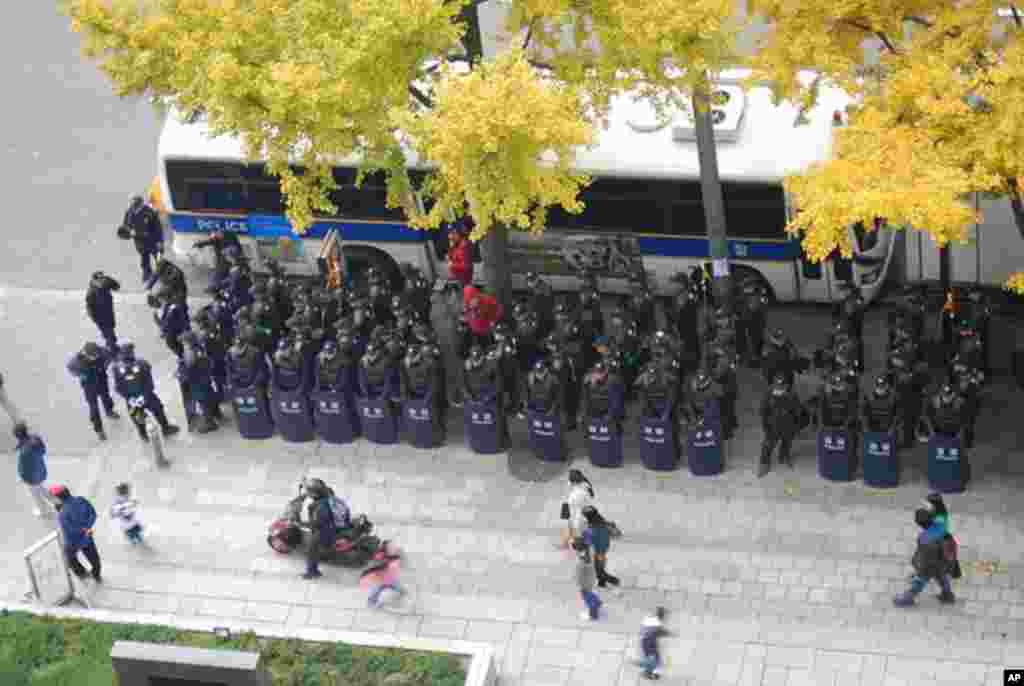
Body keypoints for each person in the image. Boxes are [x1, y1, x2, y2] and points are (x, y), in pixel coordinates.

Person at [112, 343, 180, 440]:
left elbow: (118, 387)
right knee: (154, 411)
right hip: (145, 396)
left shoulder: (117, 367)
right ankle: (162, 429)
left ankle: (146, 434)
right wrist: (140, 397)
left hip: (135, 398)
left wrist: (130, 398)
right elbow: (149, 383)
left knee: (141, 414)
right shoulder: (141, 364)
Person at [893, 508, 955, 606]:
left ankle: (907, 598)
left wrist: (919, 570)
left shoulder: (925, 538)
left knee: (919, 581)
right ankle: (947, 595)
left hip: (930, 563)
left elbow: (924, 557)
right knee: (941, 576)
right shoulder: (941, 525)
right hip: (943, 560)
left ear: (921, 524)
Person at [67, 342, 120, 441]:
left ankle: (109, 411)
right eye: (93, 356)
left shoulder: (102, 351)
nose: (95, 357)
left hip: (101, 379)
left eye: (96, 355)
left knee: (106, 397)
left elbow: (109, 356)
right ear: (86, 354)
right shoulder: (76, 361)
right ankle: (99, 430)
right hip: (89, 385)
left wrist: (105, 366)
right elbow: (71, 368)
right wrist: (80, 375)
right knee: (93, 407)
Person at [50, 485, 102, 582]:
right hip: (87, 537)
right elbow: (93, 514)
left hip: (73, 541)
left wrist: (81, 529)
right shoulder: (81, 500)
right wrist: (87, 527)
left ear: (58, 498)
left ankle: (81, 573)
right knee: (94, 559)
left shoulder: (62, 514)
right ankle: (96, 574)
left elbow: (69, 530)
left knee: (69, 557)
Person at [759, 373, 804, 476]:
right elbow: (763, 411)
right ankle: (764, 464)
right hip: (772, 424)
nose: (779, 388)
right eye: (777, 386)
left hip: (788, 424)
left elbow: (798, 411)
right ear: (773, 385)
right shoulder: (768, 394)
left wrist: (796, 425)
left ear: (786, 385)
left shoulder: (792, 395)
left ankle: (784, 456)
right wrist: (765, 426)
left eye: (782, 386)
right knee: (768, 445)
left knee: (787, 443)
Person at [121, 195, 164, 282]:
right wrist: (127, 233)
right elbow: (125, 226)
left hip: (153, 241)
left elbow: (158, 228)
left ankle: (163, 278)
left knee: (159, 261)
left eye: (136, 206)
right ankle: (147, 278)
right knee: (144, 261)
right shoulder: (129, 212)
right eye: (132, 205)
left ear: (141, 204)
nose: (134, 208)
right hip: (140, 242)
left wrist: (160, 241)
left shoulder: (150, 212)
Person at [301, 478, 337, 580]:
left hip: (321, 532)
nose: (307, 493)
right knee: (314, 551)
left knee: (311, 552)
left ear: (315, 494)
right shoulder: (327, 493)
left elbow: (315, 524)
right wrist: (304, 484)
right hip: (328, 526)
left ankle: (311, 573)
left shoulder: (320, 508)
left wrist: (300, 523)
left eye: (309, 492)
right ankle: (315, 571)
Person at [14, 423, 51, 517]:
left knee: (36, 495)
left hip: (31, 478)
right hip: (41, 471)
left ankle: (43, 511)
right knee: (40, 487)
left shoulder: (24, 452)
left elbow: (23, 469)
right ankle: (52, 499)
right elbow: (43, 451)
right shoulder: (36, 439)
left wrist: (22, 478)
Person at [581, 505, 620, 591]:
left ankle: (615, 581)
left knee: (599, 571)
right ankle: (601, 583)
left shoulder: (592, 528)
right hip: (603, 549)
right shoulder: (603, 524)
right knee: (600, 568)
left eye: (585, 515)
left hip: (600, 550)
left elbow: (587, 541)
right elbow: (617, 534)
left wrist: (585, 552)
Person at [85, 271, 121, 354]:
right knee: (110, 335)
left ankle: (111, 346)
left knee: (110, 333)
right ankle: (112, 350)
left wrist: (110, 280)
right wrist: (95, 319)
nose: (101, 281)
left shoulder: (105, 284)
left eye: (102, 278)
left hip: (109, 315)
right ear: (94, 281)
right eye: (99, 279)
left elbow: (116, 287)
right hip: (100, 318)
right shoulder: (91, 293)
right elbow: (89, 307)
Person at [634, 607, 671, 680]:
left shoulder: (650, 619)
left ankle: (647, 669)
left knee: (653, 658)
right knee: (654, 659)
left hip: (646, 641)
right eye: (664, 615)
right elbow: (660, 632)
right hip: (649, 643)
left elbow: (645, 629)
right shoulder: (657, 623)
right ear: (661, 616)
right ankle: (647, 672)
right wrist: (669, 633)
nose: (665, 618)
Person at [561, 469, 594, 547]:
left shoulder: (583, 489)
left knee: (579, 526)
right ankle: (566, 542)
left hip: (578, 508)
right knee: (571, 525)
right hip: (572, 507)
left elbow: (585, 500)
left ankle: (586, 542)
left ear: (575, 481)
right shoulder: (583, 484)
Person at [573, 538, 602, 621]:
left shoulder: (583, 559)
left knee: (587, 597)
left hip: (586, 582)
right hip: (591, 578)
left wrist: (579, 583)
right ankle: (597, 602)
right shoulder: (588, 550)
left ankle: (593, 615)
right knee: (591, 593)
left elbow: (580, 573)